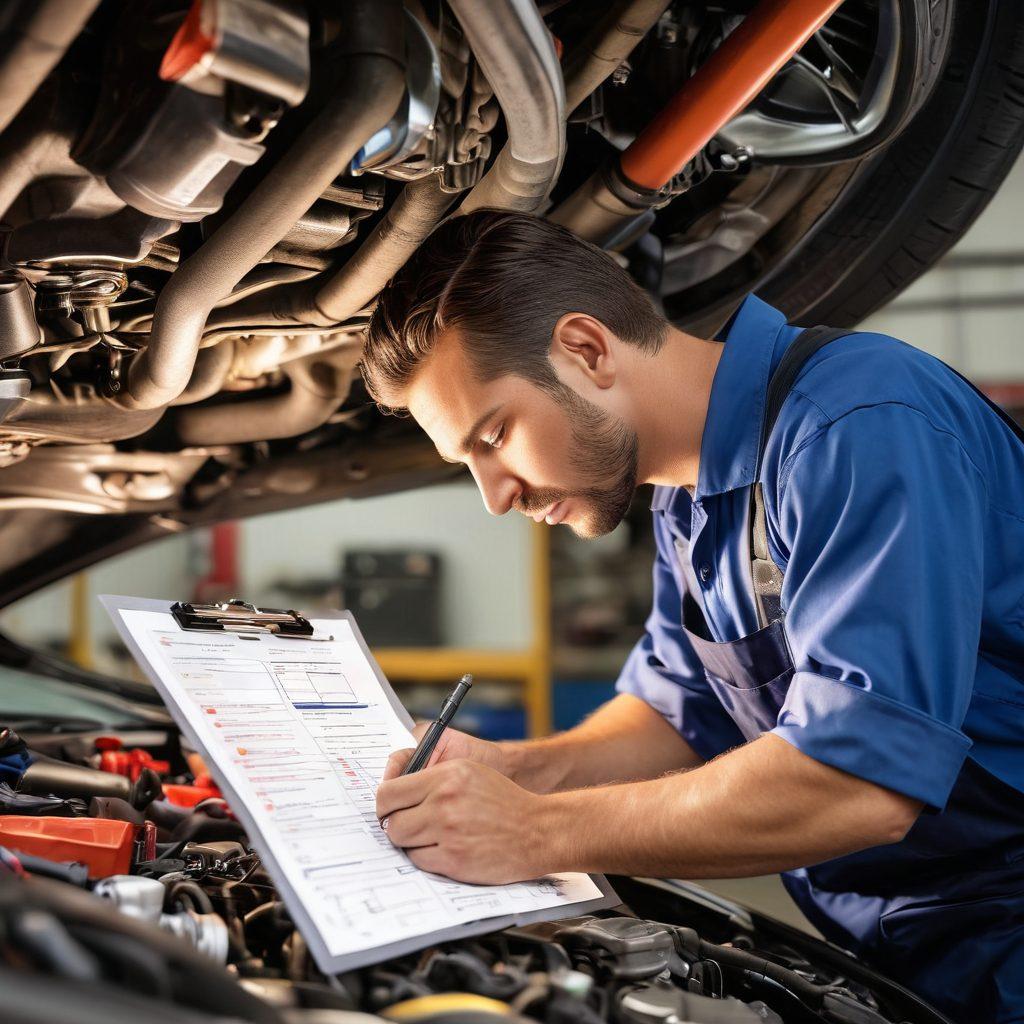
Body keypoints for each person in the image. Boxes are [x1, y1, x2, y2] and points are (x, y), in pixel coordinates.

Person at [362, 211, 1024, 1023]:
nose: (495, 496)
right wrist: (513, 770)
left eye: (495, 435)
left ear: (586, 349)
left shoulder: (857, 423)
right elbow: (679, 712)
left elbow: (859, 782)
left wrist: (536, 831)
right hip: (909, 955)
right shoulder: (688, 497)